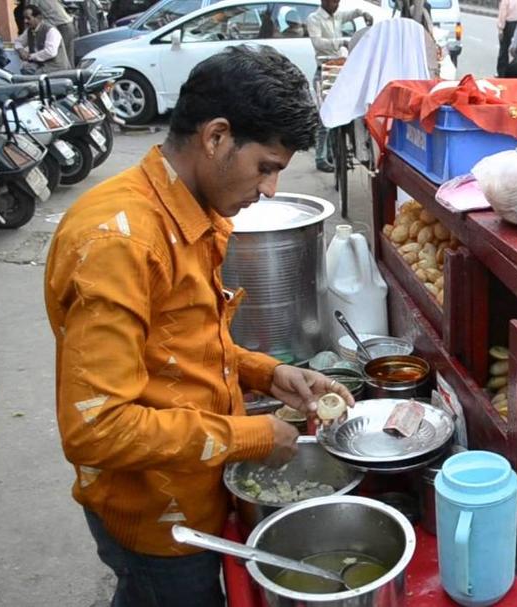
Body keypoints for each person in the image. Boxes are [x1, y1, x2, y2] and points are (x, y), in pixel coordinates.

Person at [44, 46, 349, 607]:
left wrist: (267, 373)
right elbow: (97, 429)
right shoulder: (120, 242)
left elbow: (177, 347)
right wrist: (250, 436)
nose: (269, 190)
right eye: (265, 168)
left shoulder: (190, 212)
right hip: (159, 521)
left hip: (198, 487)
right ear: (215, 137)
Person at [308, 0, 373, 173]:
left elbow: (351, 13)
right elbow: (318, 43)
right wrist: (341, 42)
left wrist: (363, 13)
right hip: (324, 68)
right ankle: (320, 158)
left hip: (338, 68)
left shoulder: (337, 15)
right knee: (325, 117)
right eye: (332, 1)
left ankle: (332, 152)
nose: (335, 5)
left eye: (338, 1)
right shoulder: (314, 19)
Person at [15, 5, 71, 74]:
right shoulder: (29, 31)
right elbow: (18, 42)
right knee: (25, 69)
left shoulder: (51, 31)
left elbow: (50, 52)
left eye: (28, 18)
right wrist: (21, 50)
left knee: (33, 74)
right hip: (42, 65)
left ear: (38, 18)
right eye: (24, 18)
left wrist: (30, 57)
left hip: (56, 68)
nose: (25, 21)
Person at [29, 0, 76, 70]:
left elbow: (30, 15)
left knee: (62, 59)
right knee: (68, 57)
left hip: (62, 26)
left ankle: (69, 77)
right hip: (68, 25)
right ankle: (72, 76)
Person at [496, 0, 517, 76]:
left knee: (504, 50)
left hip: (509, 25)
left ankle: (502, 73)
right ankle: (516, 73)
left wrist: (500, 29)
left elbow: (502, 14)